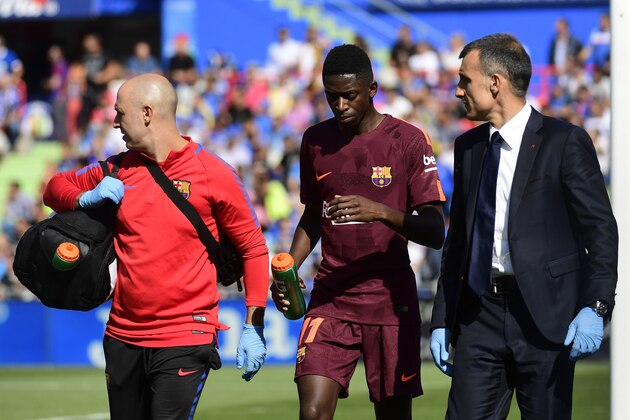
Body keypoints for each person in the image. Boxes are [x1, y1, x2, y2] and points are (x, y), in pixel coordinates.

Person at [43, 73, 269, 419]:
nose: (115, 122)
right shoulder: (116, 169)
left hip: (185, 334)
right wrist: (86, 197)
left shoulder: (214, 173)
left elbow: (253, 248)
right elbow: (54, 189)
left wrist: (254, 325)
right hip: (122, 335)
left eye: (120, 113)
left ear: (146, 113)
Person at [429, 33, 618, 420]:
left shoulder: (564, 142)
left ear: (494, 83)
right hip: (479, 315)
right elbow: (458, 244)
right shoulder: (468, 148)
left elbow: (600, 230)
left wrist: (595, 306)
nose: (457, 90)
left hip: (546, 317)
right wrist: (442, 319)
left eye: (465, 80)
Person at [271, 44, 446, 420]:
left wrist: (380, 211)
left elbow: (435, 230)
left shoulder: (408, 140)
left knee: (393, 415)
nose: (340, 105)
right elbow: (313, 215)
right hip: (331, 297)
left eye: (348, 95)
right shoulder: (314, 141)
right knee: (313, 413)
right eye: (331, 96)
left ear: (372, 89)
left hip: (390, 301)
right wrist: (290, 267)